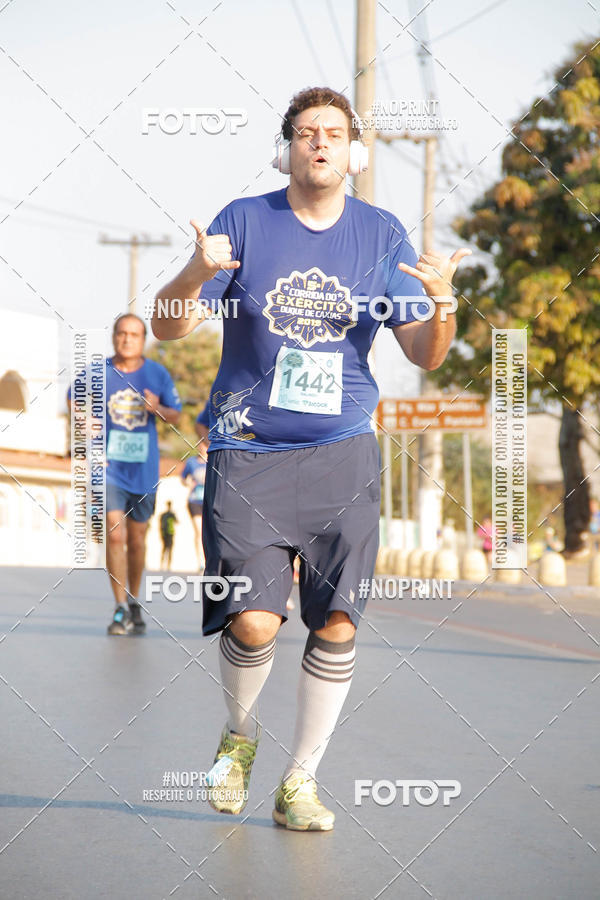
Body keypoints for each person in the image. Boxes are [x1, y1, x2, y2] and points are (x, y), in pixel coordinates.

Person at [153, 86, 470, 830]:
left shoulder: (382, 233)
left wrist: (446, 306)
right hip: (248, 450)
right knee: (255, 622)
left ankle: (300, 782)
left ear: (354, 152)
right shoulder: (245, 221)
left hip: (342, 453)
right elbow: (170, 329)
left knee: (336, 624)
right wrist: (196, 274)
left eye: (333, 132)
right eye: (305, 132)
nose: (319, 143)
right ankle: (238, 736)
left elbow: (423, 353)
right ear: (287, 147)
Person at [92, 314, 181, 635]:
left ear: (142, 340)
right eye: (121, 333)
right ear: (114, 336)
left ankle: (132, 600)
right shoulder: (97, 371)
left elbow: (176, 415)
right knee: (115, 534)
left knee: (137, 539)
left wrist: (158, 408)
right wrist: (83, 421)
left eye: (134, 334)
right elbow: (74, 399)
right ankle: (118, 608)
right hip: (108, 468)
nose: (127, 339)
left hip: (143, 470)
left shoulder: (156, 374)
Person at [181, 403, 210, 569]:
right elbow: (183, 479)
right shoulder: (192, 463)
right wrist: (188, 483)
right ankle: (201, 562)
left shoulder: (214, 462)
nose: (202, 447)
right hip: (195, 500)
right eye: (200, 445)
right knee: (199, 531)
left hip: (210, 500)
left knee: (208, 533)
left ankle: (209, 559)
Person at [160, 501, 178, 569]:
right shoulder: (169, 514)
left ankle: (166, 565)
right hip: (168, 533)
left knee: (166, 549)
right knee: (167, 549)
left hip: (168, 533)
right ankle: (165, 565)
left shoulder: (165, 515)